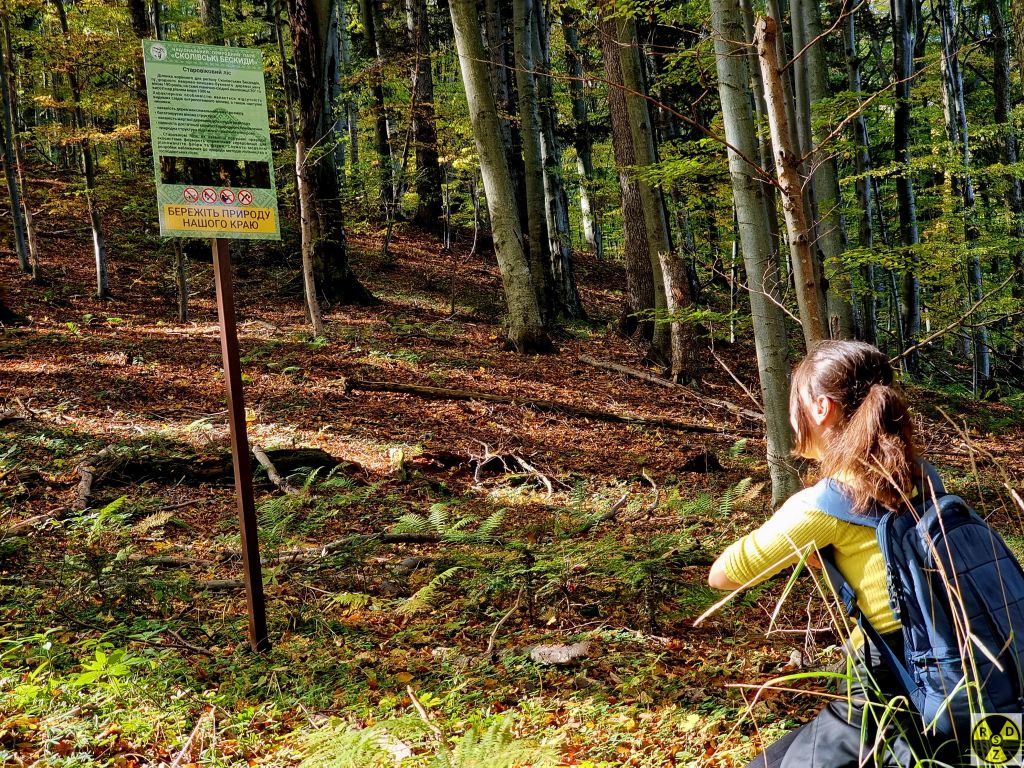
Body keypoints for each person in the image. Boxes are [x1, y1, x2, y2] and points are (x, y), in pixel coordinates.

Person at [707, 340, 963, 768]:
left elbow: (724, 575)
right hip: (952, 660)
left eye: (796, 404)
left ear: (821, 408)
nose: (793, 417)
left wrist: (798, 514)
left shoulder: (827, 501)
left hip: (888, 680)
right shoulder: (921, 475)